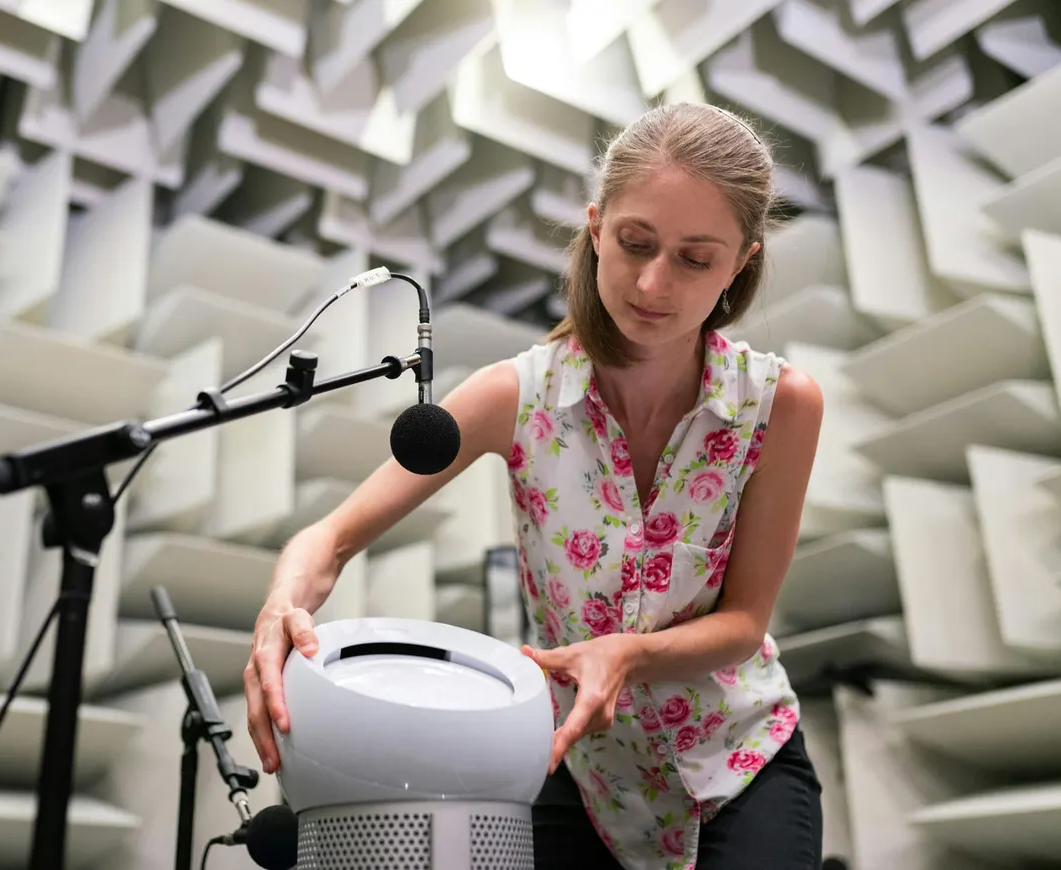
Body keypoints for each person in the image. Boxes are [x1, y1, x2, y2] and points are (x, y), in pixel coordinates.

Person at [243, 102, 826, 870]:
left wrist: (625, 653)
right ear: (595, 227)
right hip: (576, 770)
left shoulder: (781, 405)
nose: (653, 282)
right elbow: (330, 537)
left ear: (741, 262)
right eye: (635, 243)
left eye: (694, 258)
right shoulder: (511, 395)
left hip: (738, 760)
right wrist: (283, 606)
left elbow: (746, 621)